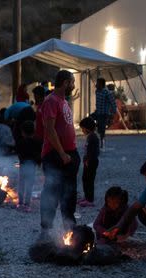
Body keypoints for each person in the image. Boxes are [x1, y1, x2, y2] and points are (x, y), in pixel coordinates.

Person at [39, 70, 80, 235]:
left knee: (69, 192)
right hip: (55, 155)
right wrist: (62, 153)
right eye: (72, 82)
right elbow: (49, 130)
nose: (74, 85)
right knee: (52, 191)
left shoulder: (63, 101)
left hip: (69, 153)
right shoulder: (51, 101)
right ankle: (46, 229)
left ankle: (69, 229)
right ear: (65, 83)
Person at [15, 120, 42, 212]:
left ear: (22, 132)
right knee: (30, 185)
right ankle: (27, 204)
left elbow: (19, 153)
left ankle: (20, 203)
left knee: (21, 184)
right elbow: (39, 154)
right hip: (32, 166)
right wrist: (38, 163)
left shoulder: (20, 142)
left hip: (23, 166)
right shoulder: (37, 141)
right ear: (34, 131)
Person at [78, 116, 100, 207]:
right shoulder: (90, 136)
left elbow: (94, 152)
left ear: (86, 128)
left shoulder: (93, 137)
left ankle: (90, 199)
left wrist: (88, 160)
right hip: (88, 162)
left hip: (91, 162)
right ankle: (87, 197)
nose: (82, 130)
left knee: (89, 180)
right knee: (85, 179)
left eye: (82, 128)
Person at [94, 78, 115, 148]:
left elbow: (112, 102)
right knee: (93, 122)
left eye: (97, 83)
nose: (96, 85)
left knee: (102, 127)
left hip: (104, 113)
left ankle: (102, 141)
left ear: (101, 84)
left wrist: (113, 112)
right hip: (98, 112)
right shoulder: (97, 91)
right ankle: (98, 138)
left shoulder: (107, 92)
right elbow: (97, 102)